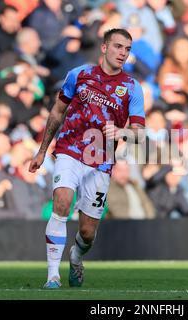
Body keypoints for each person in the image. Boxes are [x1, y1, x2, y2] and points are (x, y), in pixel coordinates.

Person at [28, 28, 145, 289]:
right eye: (117, 46)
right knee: (62, 201)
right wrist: (42, 150)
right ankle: (52, 276)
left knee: (87, 232)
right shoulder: (79, 74)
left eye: (127, 49)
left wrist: (122, 131)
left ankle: (76, 256)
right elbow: (58, 111)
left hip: (101, 162)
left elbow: (139, 134)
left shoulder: (132, 88)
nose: (122, 53)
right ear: (104, 47)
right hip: (69, 150)